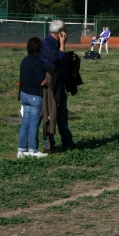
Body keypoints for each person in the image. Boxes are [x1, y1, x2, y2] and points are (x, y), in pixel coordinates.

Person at [40, 20, 74, 150]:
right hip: (50, 84)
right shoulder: (46, 44)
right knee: (50, 113)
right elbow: (56, 62)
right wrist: (62, 45)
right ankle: (49, 143)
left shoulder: (56, 43)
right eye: (65, 29)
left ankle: (67, 141)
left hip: (59, 84)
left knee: (62, 114)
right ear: (60, 32)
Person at [18, 37, 48, 158]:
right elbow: (40, 80)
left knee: (25, 123)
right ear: (40, 48)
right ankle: (33, 150)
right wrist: (48, 80)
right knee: (34, 124)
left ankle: (21, 150)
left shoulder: (24, 60)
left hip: (24, 94)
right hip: (35, 96)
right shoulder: (38, 62)